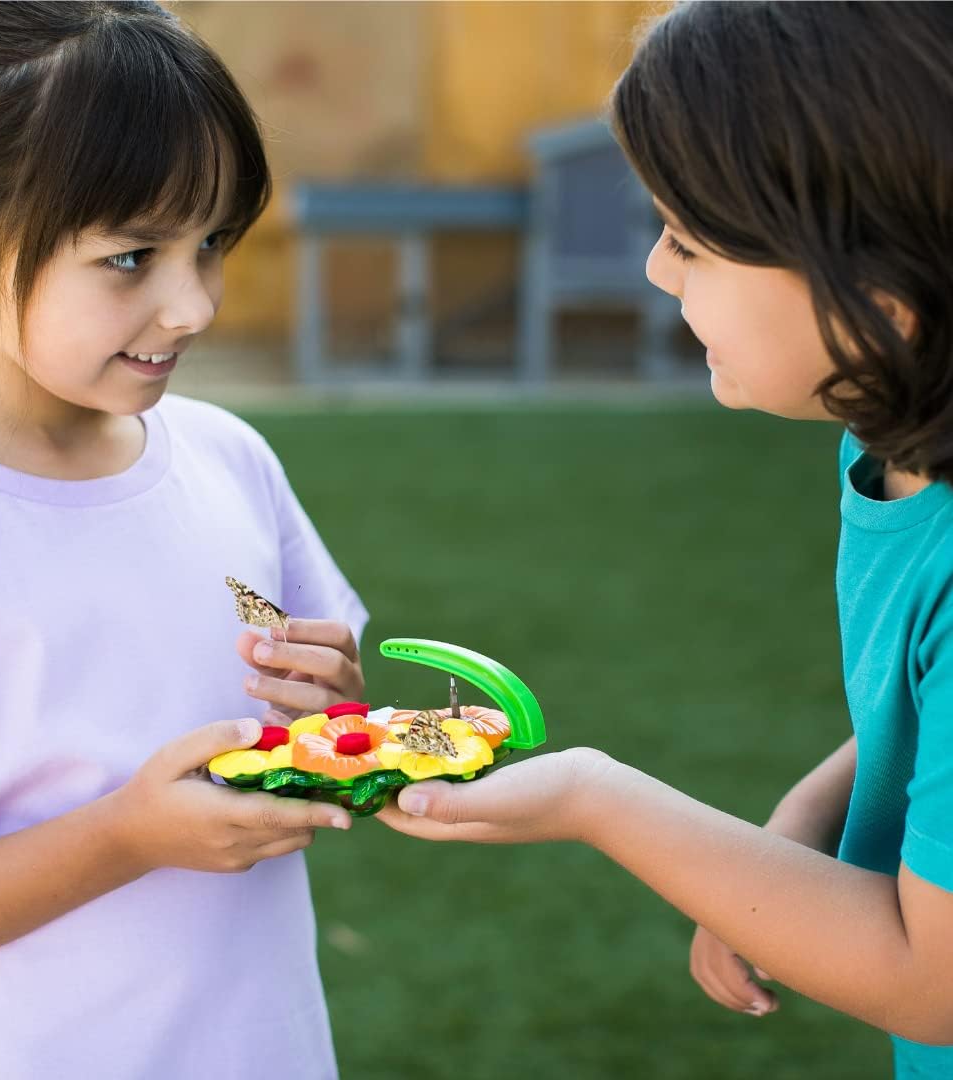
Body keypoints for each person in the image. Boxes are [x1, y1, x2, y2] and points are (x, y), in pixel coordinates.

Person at [378, 3, 953, 1075]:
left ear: (884, 293)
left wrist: (600, 798)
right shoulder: (885, 449)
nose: (655, 270)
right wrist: (806, 814)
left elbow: (930, 983)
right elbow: (924, 711)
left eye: (689, 240)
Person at [0, 3, 367, 1077]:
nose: (191, 305)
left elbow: (323, 717)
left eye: (211, 244)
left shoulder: (229, 459)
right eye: (133, 256)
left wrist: (331, 712)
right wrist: (124, 838)